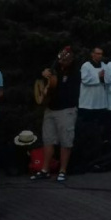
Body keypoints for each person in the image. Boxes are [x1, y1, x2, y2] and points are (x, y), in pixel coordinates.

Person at [32, 46, 81, 182]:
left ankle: (62, 170)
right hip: (50, 109)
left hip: (66, 110)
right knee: (48, 140)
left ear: (70, 60)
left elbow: (66, 90)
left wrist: (51, 86)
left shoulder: (75, 72)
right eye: (60, 59)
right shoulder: (54, 68)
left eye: (64, 60)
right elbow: (41, 78)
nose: (61, 62)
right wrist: (43, 74)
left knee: (66, 141)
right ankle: (45, 170)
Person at [79, 47, 108, 136]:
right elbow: (85, 80)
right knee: (87, 126)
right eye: (98, 53)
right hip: (88, 102)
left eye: (101, 54)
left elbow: (109, 79)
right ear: (92, 54)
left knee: (99, 126)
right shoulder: (86, 66)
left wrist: (104, 78)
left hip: (100, 101)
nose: (100, 56)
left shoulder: (104, 66)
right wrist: (98, 76)